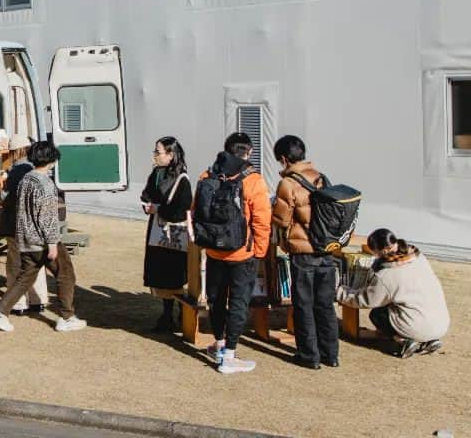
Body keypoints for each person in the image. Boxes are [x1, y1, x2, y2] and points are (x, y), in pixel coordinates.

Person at [0, 141, 86, 332]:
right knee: (66, 275)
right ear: (52, 160)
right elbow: (47, 217)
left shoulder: (26, 179)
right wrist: (53, 242)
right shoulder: (45, 183)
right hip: (43, 240)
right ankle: (67, 316)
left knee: (25, 278)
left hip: (26, 237)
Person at [197, 133, 271, 374]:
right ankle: (229, 355)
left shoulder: (207, 175)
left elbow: (196, 210)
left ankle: (219, 344)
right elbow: (261, 220)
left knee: (216, 299)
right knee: (238, 302)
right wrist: (259, 251)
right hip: (242, 252)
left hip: (214, 250)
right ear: (248, 152)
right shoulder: (253, 180)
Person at [272, 135, 340, 369]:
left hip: (302, 252)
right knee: (325, 304)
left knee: (303, 305)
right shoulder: (322, 178)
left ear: (283, 159)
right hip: (326, 251)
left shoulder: (288, 184)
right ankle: (331, 354)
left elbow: (281, 219)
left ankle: (309, 356)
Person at [338, 228, 450, 358]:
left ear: (383, 251)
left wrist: (340, 291)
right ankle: (429, 340)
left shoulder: (387, 275)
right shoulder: (419, 257)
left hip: (417, 327)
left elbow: (365, 300)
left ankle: (403, 341)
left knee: (378, 314)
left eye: (374, 253)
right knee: (403, 303)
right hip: (441, 323)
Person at [141, 136, 192, 332]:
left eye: (158, 152)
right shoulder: (156, 174)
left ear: (170, 155)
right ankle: (166, 314)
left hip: (176, 232)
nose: (155, 155)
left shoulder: (182, 179)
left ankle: (181, 312)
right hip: (157, 230)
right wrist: (147, 204)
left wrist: (159, 209)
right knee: (160, 272)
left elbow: (183, 209)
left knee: (176, 274)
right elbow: (147, 193)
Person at [0, 135, 48, 316]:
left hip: (17, 224)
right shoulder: (39, 166)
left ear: (16, 150)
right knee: (35, 263)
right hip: (36, 224)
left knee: (15, 264)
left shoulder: (18, 169)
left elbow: (7, 197)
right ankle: (38, 300)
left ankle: (19, 303)